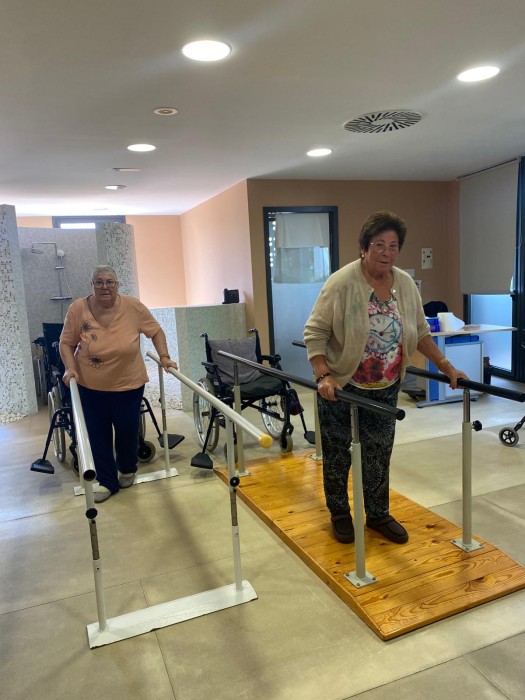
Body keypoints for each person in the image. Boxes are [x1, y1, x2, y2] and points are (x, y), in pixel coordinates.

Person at [304, 211, 468, 545]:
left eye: (393, 246)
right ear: (364, 247)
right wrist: (323, 375)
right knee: (337, 454)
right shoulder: (341, 283)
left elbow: (420, 332)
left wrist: (447, 367)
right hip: (343, 387)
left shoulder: (404, 284)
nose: (386, 252)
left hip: (385, 387)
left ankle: (378, 514)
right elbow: (315, 332)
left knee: (378, 454)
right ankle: (339, 513)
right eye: (379, 244)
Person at [59, 265, 178, 503]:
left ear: (117, 285)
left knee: (127, 430)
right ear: (92, 285)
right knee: (98, 434)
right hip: (91, 386)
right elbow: (66, 343)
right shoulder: (78, 308)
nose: (105, 287)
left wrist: (164, 357)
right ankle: (107, 481)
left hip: (128, 384)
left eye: (110, 282)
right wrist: (70, 368)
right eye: (99, 282)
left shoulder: (133, 307)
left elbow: (156, 331)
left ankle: (127, 468)